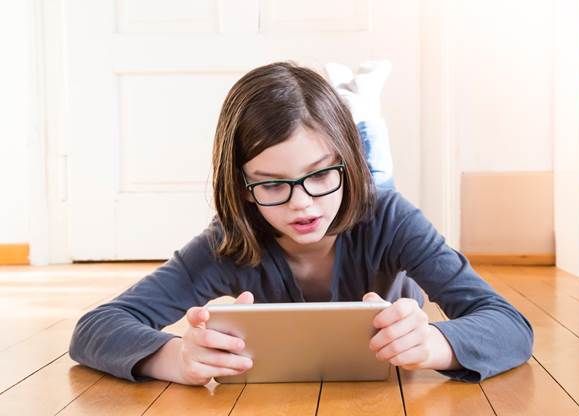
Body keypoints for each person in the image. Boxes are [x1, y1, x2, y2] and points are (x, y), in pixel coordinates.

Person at [69, 61, 533, 386]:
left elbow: (510, 325)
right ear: (240, 186)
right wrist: (176, 357)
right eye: (272, 185)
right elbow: (94, 329)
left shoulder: (390, 217)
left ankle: (363, 109)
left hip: (367, 195)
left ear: (343, 166)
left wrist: (434, 344)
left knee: (379, 172)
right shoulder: (226, 241)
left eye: (320, 174)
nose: (303, 205)